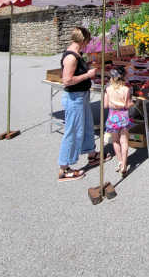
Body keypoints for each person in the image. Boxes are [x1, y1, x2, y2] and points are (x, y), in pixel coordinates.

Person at [58, 27, 110, 182]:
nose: (88, 44)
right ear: (82, 40)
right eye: (87, 41)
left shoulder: (77, 54)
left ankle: (92, 154)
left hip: (82, 96)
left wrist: (88, 64)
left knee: (87, 126)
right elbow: (66, 80)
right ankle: (64, 168)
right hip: (74, 97)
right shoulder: (71, 57)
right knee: (73, 132)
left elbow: (78, 69)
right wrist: (88, 74)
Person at [104, 69, 135, 177]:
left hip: (112, 116)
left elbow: (105, 105)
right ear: (123, 77)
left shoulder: (108, 89)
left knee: (115, 141)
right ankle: (124, 166)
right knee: (124, 141)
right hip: (123, 116)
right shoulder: (125, 89)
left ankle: (120, 161)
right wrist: (132, 103)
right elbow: (126, 105)